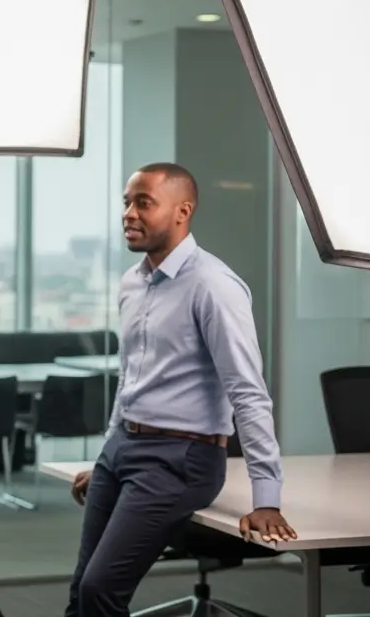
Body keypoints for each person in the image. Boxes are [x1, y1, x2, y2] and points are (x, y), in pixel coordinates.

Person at [65, 162, 296, 617]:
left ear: (182, 211)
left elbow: (248, 392)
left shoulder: (213, 285)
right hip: (123, 449)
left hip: (180, 458)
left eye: (143, 203)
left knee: (100, 590)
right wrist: (108, 454)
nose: (129, 213)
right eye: (127, 202)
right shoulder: (132, 283)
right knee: (81, 591)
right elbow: (130, 375)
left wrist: (266, 498)